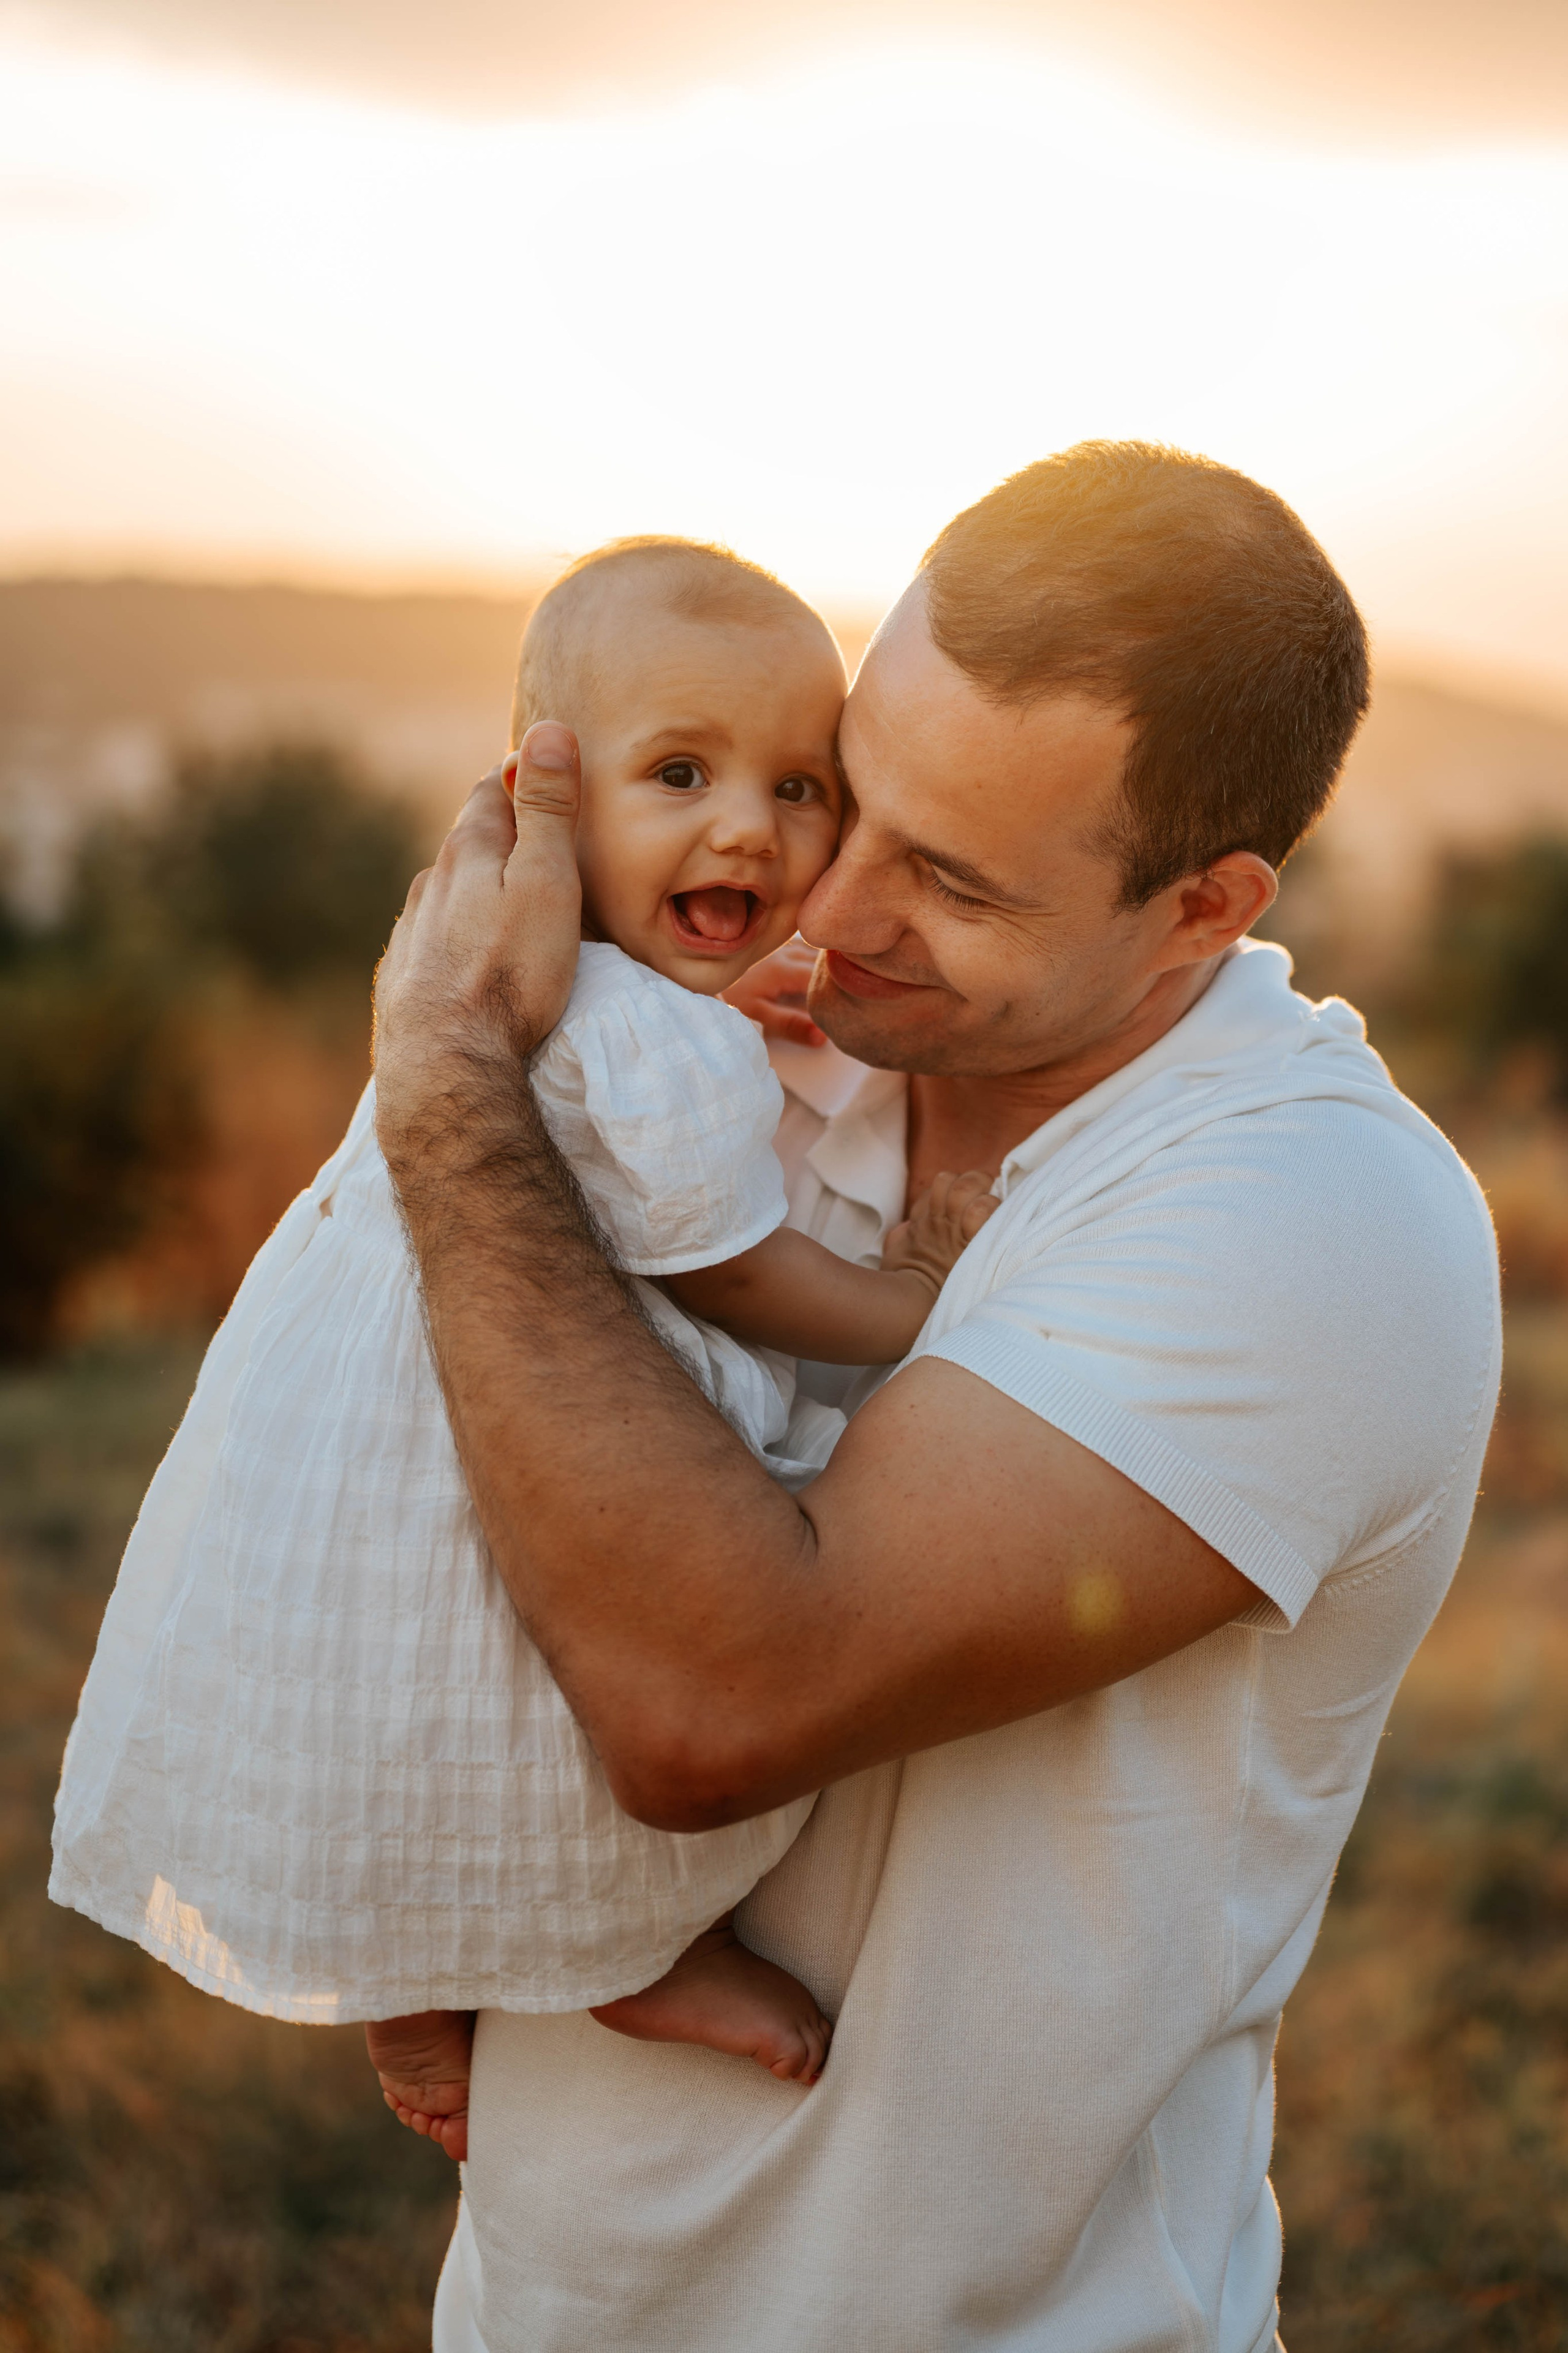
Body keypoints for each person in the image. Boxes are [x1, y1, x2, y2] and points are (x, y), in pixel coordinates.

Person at [374, 442, 1502, 2353]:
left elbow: (709, 1698)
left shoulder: (1311, 1210)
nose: (835, 900)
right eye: (849, 796)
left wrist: (442, 1083)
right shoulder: (720, 1047)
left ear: (1202, 907)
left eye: (952, 877)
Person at [50, 537, 997, 2161]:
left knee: (409, 1709)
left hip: (372, 1450)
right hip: (530, 1438)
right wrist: (918, 1301)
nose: (746, 826)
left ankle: (412, 1995)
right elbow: (742, 1278)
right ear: (546, 804)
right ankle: (637, 1952)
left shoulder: (542, 993)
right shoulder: (642, 1033)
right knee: (573, 1717)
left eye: (796, 785)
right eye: (680, 772)